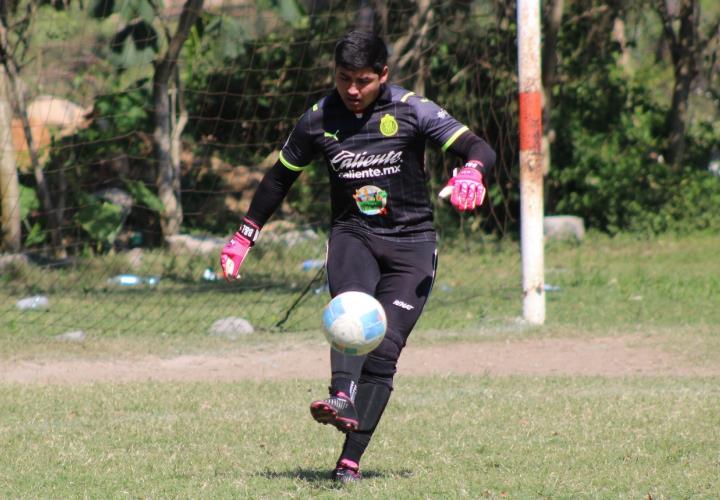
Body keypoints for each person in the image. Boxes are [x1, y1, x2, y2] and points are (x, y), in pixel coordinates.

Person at [220, 30, 496, 484]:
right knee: (350, 309)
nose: (352, 90)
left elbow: (480, 147)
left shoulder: (412, 109)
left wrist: (473, 170)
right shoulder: (317, 118)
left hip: (412, 245)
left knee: (384, 352)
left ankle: (350, 460)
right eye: (344, 78)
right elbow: (278, 179)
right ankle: (340, 395)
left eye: (363, 80)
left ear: (383, 75)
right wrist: (244, 236)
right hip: (355, 235)